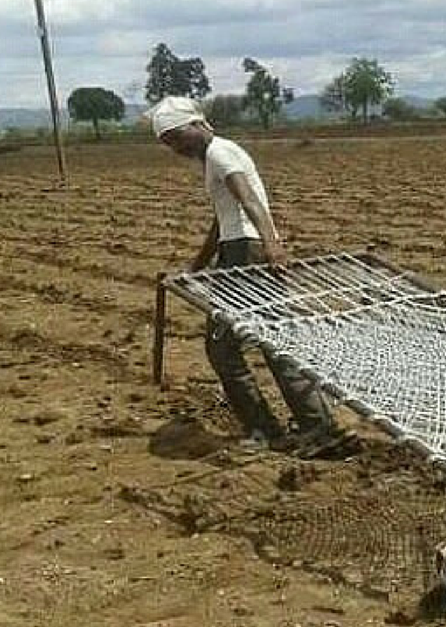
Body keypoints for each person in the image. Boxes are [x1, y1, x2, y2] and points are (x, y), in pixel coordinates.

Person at [146, 97, 353, 457]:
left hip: (246, 253)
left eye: (177, 137)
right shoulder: (217, 154)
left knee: (224, 348)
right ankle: (317, 426)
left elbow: (248, 200)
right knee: (273, 340)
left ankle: (267, 430)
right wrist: (197, 266)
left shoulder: (219, 154)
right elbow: (222, 220)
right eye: (168, 143)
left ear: (197, 124)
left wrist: (272, 244)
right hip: (239, 249)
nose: (176, 148)